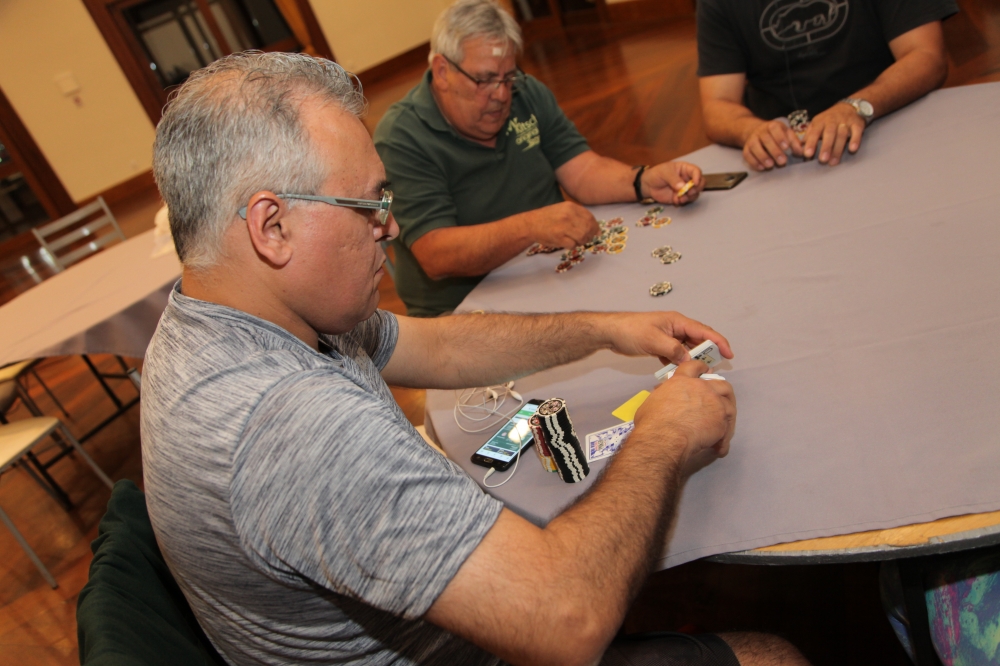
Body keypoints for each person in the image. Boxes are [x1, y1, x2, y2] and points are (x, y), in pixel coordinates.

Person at [143, 51, 811, 665]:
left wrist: (606, 329)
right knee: (773, 657)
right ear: (272, 227)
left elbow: (437, 344)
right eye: (370, 204)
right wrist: (664, 433)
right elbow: (565, 620)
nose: (391, 227)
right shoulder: (293, 425)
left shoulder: (226, 316)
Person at [374, 0, 704, 317]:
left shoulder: (526, 92)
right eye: (485, 80)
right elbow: (437, 254)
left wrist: (642, 180)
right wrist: (531, 227)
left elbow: (582, 170)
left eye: (508, 77)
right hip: (463, 308)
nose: (501, 95)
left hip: (551, 270)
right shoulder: (402, 136)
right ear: (442, 71)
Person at [697, 0, 957, 171]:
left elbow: (926, 57)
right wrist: (752, 130)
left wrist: (855, 107)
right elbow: (718, 103)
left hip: (890, 124)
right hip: (790, 160)